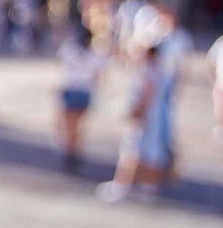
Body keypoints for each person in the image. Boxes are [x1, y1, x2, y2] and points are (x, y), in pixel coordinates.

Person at [98, 43, 170, 202]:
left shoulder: (146, 72)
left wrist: (135, 114)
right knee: (151, 152)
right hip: (157, 118)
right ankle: (148, 184)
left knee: (131, 151)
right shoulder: (162, 72)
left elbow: (144, 96)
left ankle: (122, 184)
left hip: (145, 117)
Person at [57, 23, 106, 173]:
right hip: (85, 91)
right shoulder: (95, 54)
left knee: (67, 124)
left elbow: (61, 63)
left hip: (71, 89)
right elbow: (98, 75)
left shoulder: (69, 48)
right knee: (78, 125)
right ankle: (75, 149)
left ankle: (70, 150)